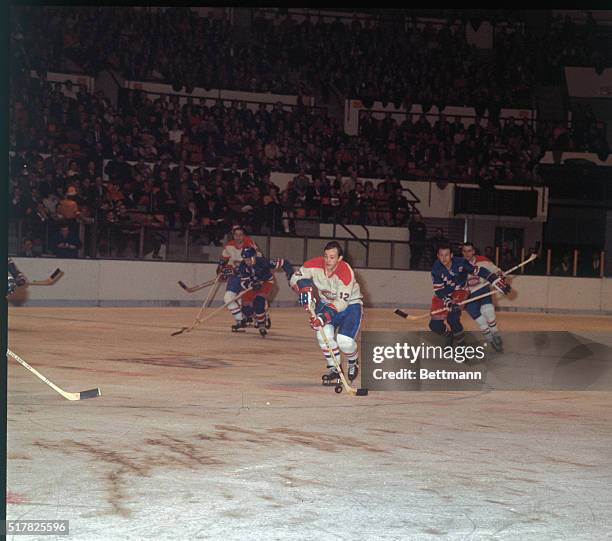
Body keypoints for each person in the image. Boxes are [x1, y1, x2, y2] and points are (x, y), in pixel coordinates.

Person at [289, 241, 364, 385]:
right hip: (326, 303)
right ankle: (334, 369)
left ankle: (353, 361)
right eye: (326, 256)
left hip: (351, 306)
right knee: (322, 335)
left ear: (340, 258)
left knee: (345, 342)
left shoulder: (346, 272)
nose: (328, 261)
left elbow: (341, 303)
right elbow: (294, 278)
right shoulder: (313, 264)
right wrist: (302, 288)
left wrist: (323, 317)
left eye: (332, 257)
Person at [430, 243, 511, 349]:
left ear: (452, 255)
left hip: (460, 291)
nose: (444, 258)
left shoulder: (462, 263)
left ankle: (462, 345)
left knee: (453, 319)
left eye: (446, 255)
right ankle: (448, 335)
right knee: (434, 325)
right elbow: (439, 290)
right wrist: (448, 301)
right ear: (437, 256)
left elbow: (480, 271)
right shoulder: (436, 269)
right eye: (441, 255)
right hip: (444, 294)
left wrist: (496, 281)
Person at [224, 247, 293, 337]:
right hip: (253, 285)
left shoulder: (263, 262)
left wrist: (290, 275)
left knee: (259, 302)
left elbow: (284, 263)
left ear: (254, 257)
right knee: (246, 310)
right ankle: (261, 317)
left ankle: (261, 325)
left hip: (266, 282)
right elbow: (243, 283)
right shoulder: (243, 266)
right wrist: (251, 284)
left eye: (249, 259)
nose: (247, 262)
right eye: (245, 259)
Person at [461, 241, 504, 351]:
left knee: (489, 314)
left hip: (483, 291)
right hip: (469, 296)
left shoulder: (483, 261)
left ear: (473, 251)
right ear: (462, 252)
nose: (467, 254)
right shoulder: (458, 266)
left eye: (469, 251)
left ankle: (496, 336)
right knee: (481, 322)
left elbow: (496, 270)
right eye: (464, 251)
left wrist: (499, 274)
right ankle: (491, 340)